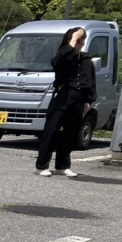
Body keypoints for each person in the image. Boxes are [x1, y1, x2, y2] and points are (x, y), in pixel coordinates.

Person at [35, 27, 94, 178]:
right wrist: (72, 39)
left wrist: (88, 100)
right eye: (77, 41)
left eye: (81, 41)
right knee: (51, 130)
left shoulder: (86, 59)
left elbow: (91, 80)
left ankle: (62, 165)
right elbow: (58, 62)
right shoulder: (63, 56)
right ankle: (41, 165)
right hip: (63, 94)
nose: (79, 44)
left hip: (78, 98)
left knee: (70, 132)